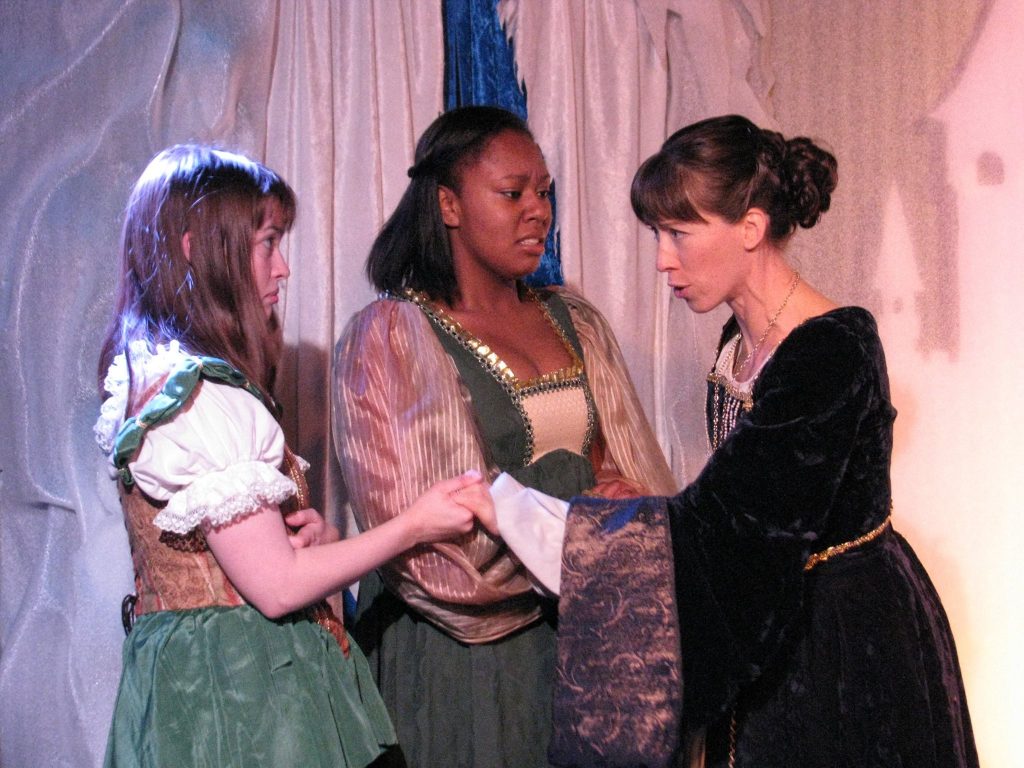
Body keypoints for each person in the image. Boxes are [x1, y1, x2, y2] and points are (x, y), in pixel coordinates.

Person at [486, 115, 979, 767]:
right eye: (658, 234)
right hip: (767, 614)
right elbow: (738, 509)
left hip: (838, 636)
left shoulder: (833, 348)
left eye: (679, 234)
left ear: (749, 227)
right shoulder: (736, 344)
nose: (663, 258)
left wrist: (532, 518)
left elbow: (732, 521)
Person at [94, 145, 491, 768]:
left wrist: (317, 544)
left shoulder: (159, 378)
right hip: (247, 700)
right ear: (199, 248)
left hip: (197, 687)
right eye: (267, 244)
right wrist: (415, 523)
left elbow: (238, 564)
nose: (282, 269)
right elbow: (276, 589)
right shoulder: (206, 398)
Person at [332, 105, 676, 767]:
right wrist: (585, 532)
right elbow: (428, 543)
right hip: (466, 657)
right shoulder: (392, 337)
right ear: (448, 205)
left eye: (544, 192)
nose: (537, 210)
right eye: (512, 193)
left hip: (578, 639)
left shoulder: (574, 321)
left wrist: (614, 493)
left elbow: (609, 463)